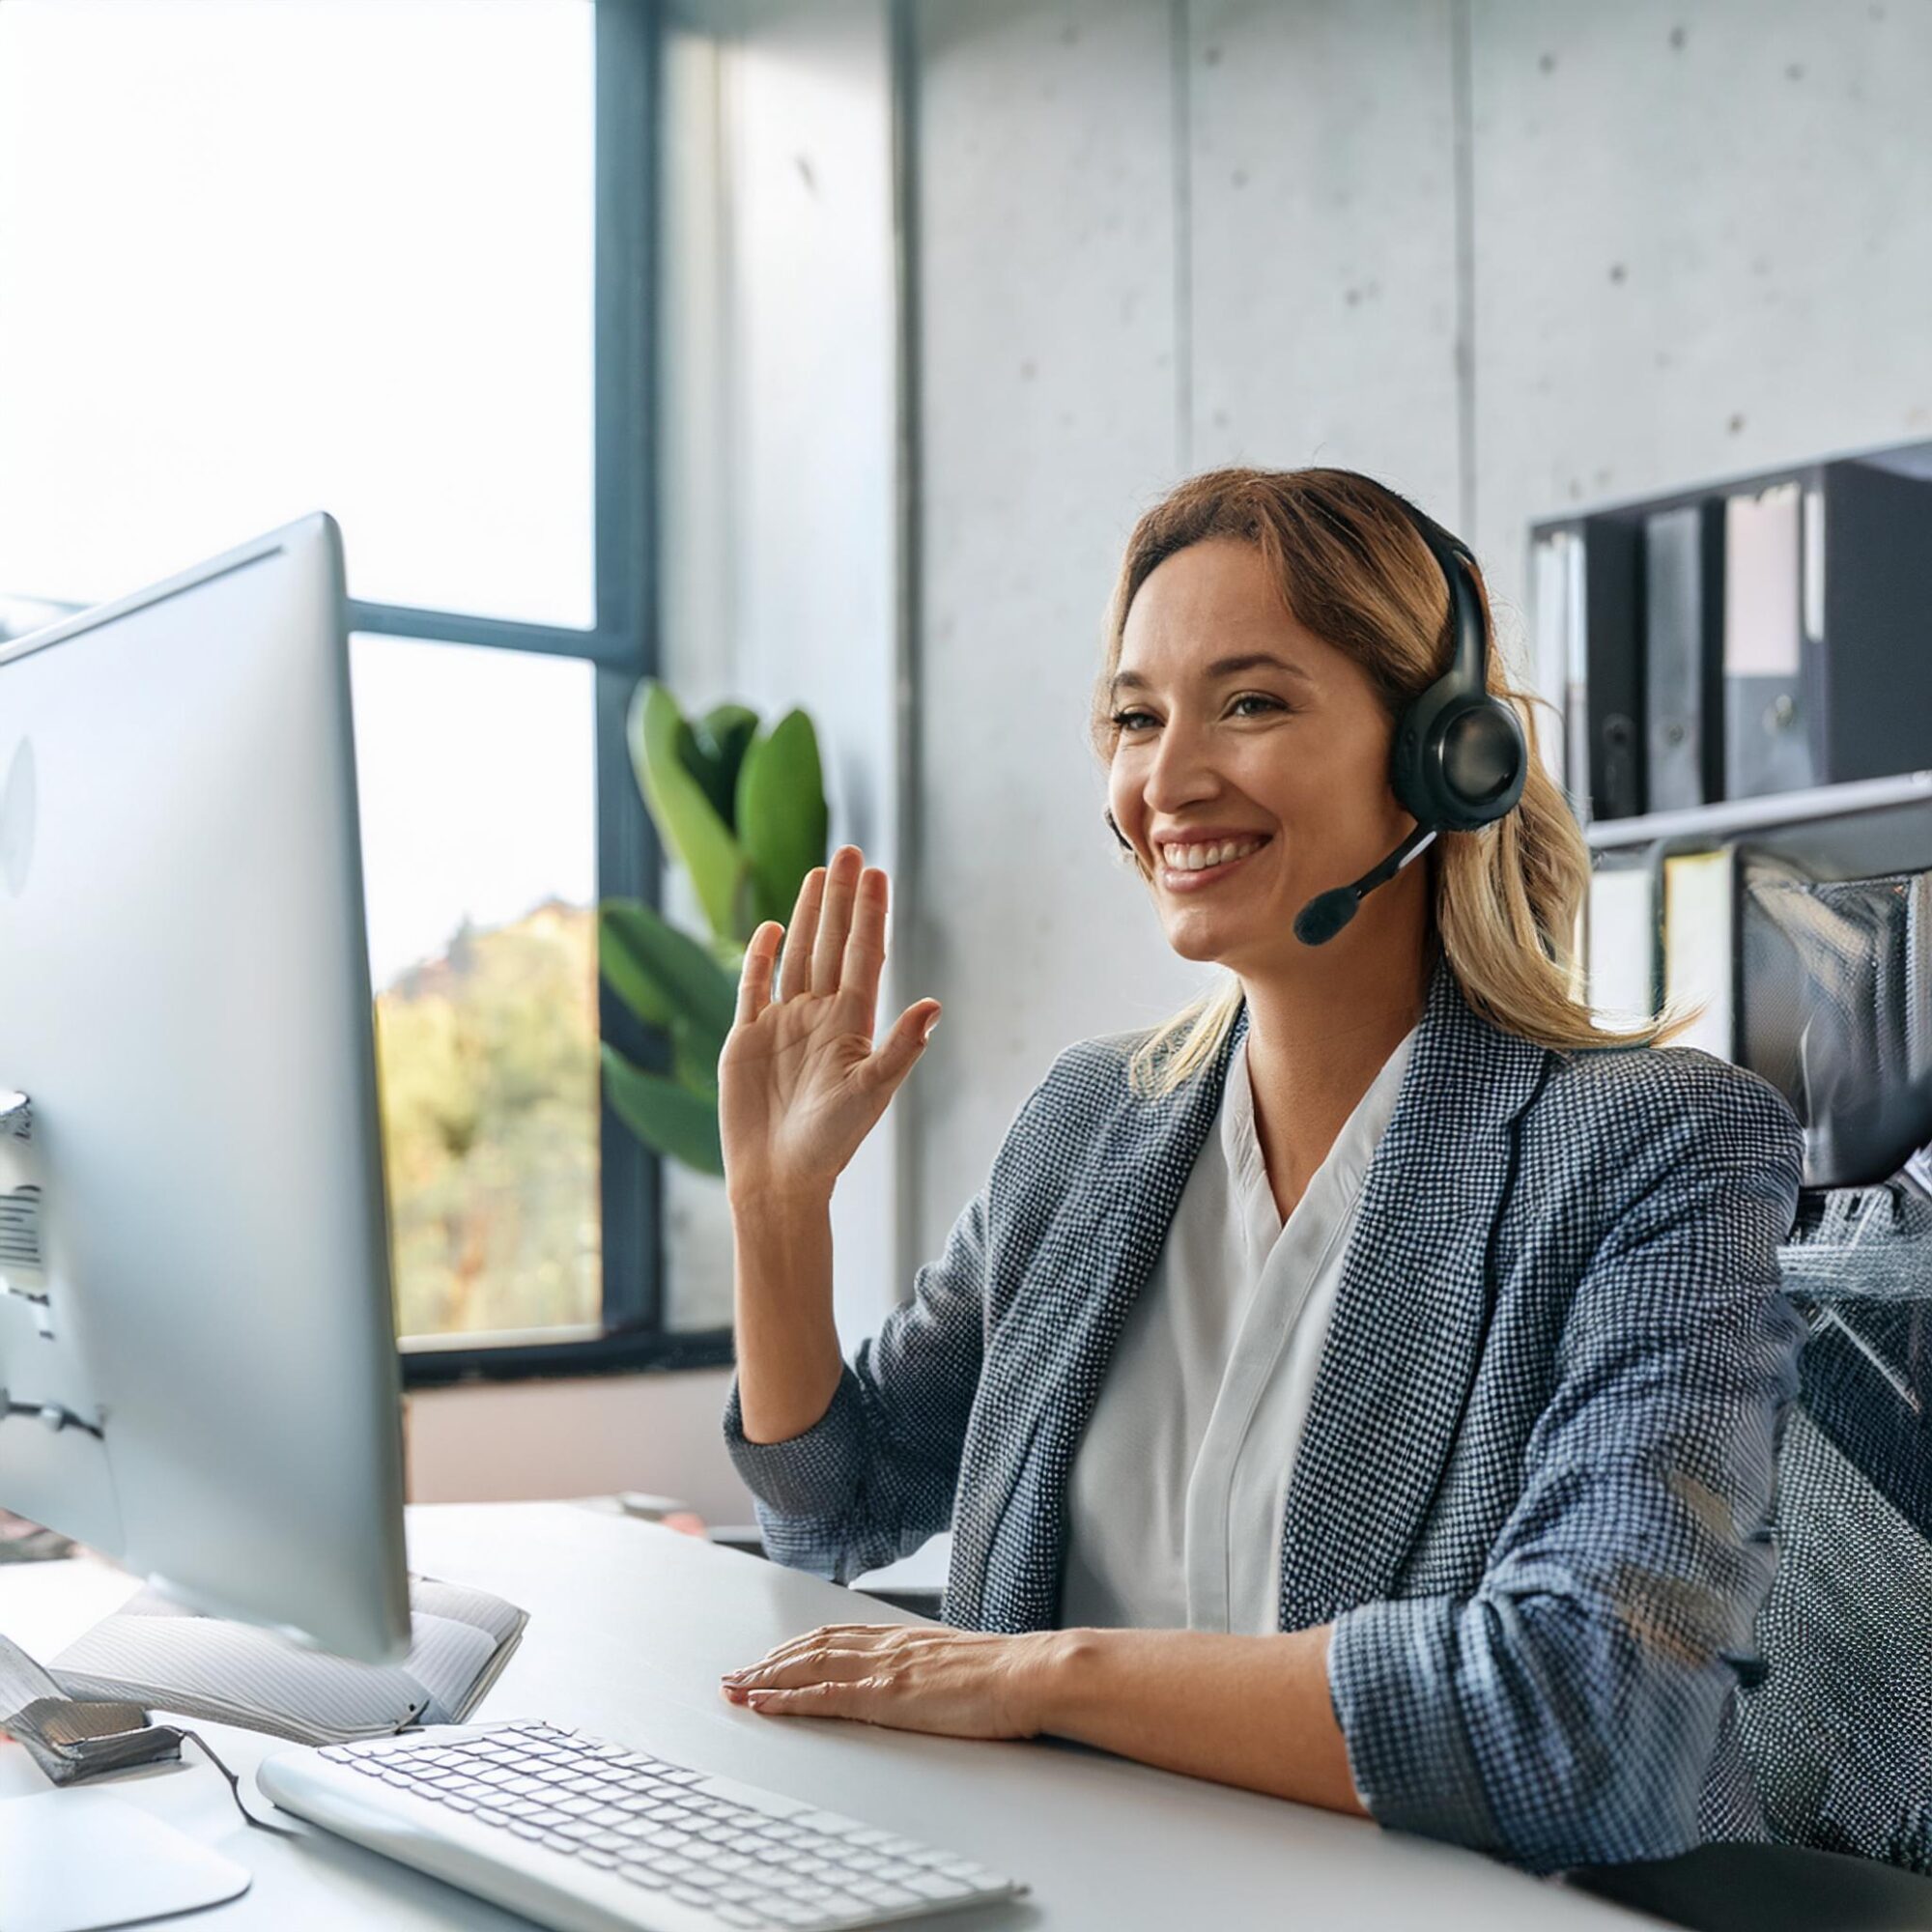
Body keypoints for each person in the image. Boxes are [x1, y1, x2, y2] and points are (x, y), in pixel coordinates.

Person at [713, 466, 1806, 1877]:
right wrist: (776, 1212)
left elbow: (1598, 1717)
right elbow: (841, 1509)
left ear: (1441, 753)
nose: (1167, 780)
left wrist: (1043, 1679)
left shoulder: (1649, 1148)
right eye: (1134, 717)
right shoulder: (1087, 1122)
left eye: (1252, 703)